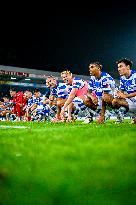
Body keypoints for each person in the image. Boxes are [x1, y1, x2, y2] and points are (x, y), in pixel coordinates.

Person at [112, 58, 136, 123]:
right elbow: (121, 92)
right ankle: (120, 118)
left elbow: (125, 95)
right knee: (115, 101)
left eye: (121, 66)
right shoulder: (122, 78)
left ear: (128, 67)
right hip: (132, 101)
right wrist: (118, 94)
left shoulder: (135, 76)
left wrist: (126, 96)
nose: (118, 69)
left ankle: (134, 116)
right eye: (118, 67)